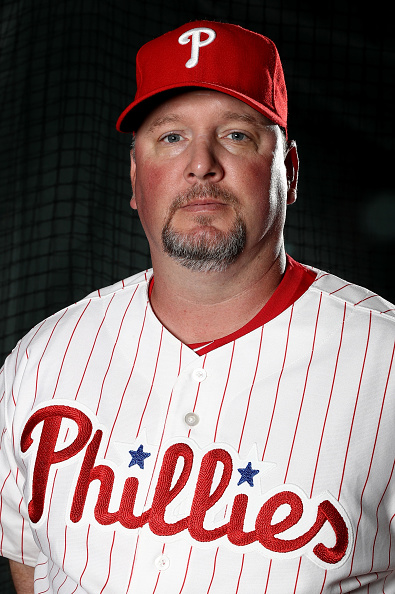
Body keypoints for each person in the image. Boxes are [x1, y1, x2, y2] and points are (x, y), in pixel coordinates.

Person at [0, 20, 394, 594]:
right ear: (136, 178)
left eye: (236, 135)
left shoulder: (384, 361)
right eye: (171, 137)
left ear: (289, 172)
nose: (201, 164)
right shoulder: (43, 359)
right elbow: (30, 561)